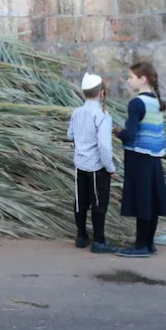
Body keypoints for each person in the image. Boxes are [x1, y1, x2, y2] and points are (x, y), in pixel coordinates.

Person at [113, 62, 166, 258]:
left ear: (142, 79)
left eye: (131, 77)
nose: (128, 80)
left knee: (142, 201)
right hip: (154, 158)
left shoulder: (136, 103)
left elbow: (130, 135)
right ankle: (149, 242)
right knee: (152, 200)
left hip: (138, 157)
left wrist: (117, 132)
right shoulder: (156, 101)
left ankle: (140, 246)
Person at [67, 73, 117, 254]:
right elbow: (104, 146)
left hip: (80, 165)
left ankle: (81, 236)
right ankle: (99, 241)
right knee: (98, 203)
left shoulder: (76, 112)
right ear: (102, 93)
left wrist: (80, 143)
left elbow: (70, 136)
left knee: (81, 200)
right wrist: (110, 167)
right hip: (97, 167)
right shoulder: (102, 116)